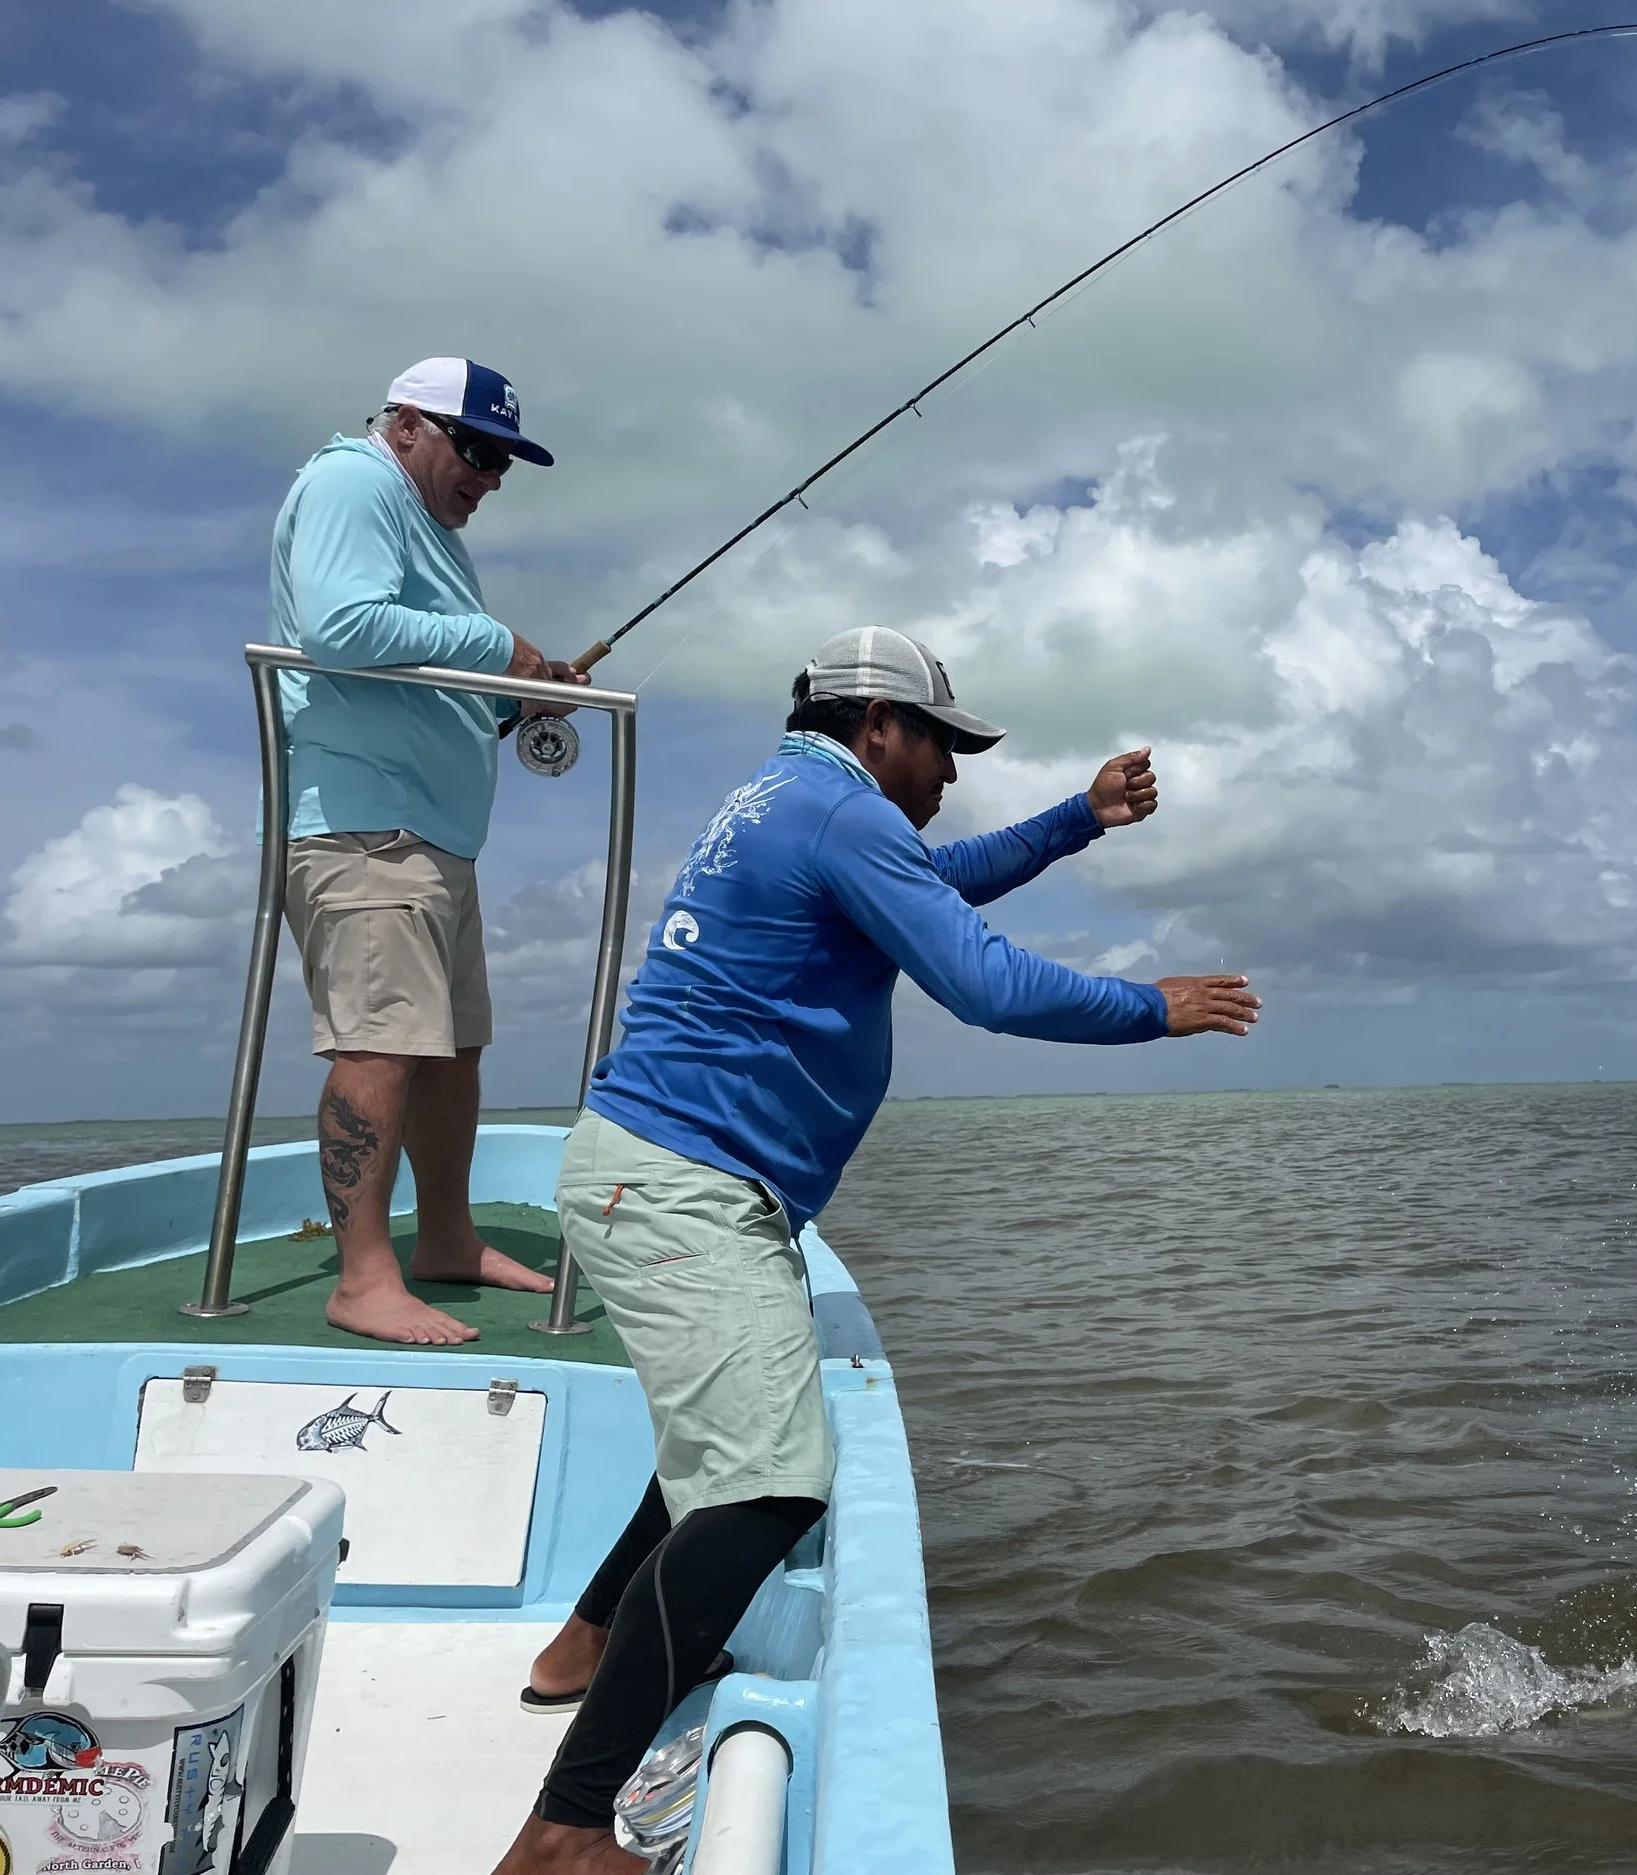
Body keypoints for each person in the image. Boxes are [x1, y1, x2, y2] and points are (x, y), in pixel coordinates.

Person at [492, 626, 1259, 1874]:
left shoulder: (791, 800)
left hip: (665, 1178)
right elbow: (983, 985)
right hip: (684, 1188)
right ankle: (565, 1831)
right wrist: (1149, 1010)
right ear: (876, 725)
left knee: (732, 1437)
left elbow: (937, 877)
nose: (950, 772)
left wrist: (1077, 819)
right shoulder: (840, 817)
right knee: (768, 1487)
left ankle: (581, 1643)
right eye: (942, 745)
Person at [272, 357, 586, 1347]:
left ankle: (445, 1238)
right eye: (478, 451)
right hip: (364, 825)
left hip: (434, 839)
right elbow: (339, 626)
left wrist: (520, 691)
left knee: (452, 1048)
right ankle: (361, 1278)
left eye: (505, 465)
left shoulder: (430, 535)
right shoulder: (354, 480)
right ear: (407, 426)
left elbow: (425, 660)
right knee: (380, 1043)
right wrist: (504, 651)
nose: (490, 478)